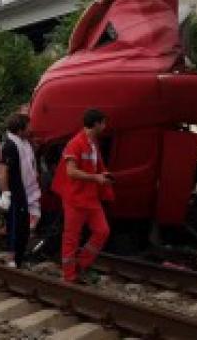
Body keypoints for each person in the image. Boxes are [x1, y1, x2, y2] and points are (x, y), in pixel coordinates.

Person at [52, 108, 114, 284]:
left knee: (102, 231)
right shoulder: (75, 143)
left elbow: (95, 168)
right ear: (96, 124)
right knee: (72, 237)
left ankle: (80, 265)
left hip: (90, 198)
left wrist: (104, 176)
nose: (105, 126)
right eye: (103, 122)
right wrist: (96, 177)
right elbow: (71, 172)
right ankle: (69, 276)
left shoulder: (93, 144)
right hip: (75, 199)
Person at [0, 113, 41, 268]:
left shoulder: (25, 143)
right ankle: (11, 258)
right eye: (28, 126)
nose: (31, 128)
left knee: (23, 227)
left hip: (24, 192)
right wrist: (5, 193)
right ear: (20, 128)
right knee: (14, 226)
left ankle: (19, 258)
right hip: (15, 192)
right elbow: (3, 170)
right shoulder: (10, 145)